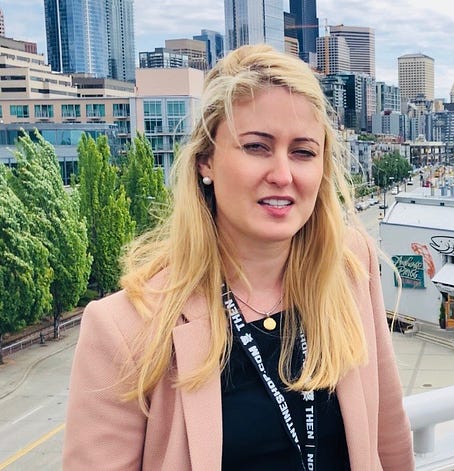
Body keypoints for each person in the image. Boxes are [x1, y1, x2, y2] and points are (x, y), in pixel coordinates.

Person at [63, 44, 414, 470]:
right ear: (205, 161)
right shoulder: (125, 328)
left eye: (303, 152)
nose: (282, 175)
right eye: (256, 147)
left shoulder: (351, 267)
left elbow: (387, 436)